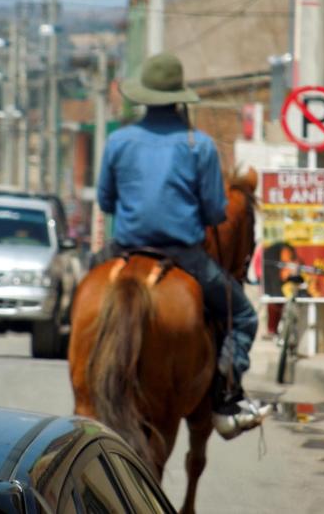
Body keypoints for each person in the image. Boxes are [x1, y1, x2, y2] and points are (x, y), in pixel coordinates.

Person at [97, 52, 271, 440]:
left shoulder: (119, 140)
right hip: (184, 254)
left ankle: (84, 384)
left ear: (143, 97)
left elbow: (106, 201)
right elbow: (214, 211)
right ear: (179, 99)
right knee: (243, 317)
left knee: (82, 299)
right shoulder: (200, 144)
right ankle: (225, 399)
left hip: (124, 248)